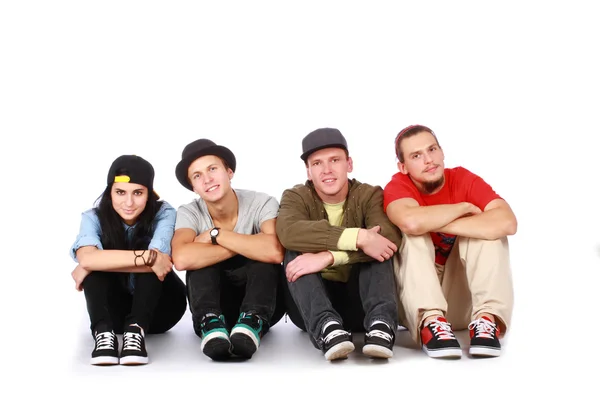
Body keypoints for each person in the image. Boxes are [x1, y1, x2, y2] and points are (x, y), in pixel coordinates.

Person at [383, 124, 517, 359]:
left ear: (442, 151)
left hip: (460, 301)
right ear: (403, 167)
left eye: (432, 149)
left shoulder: (462, 179)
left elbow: (508, 222)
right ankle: (431, 323)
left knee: (488, 232)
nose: (429, 160)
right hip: (414, 301)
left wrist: (435, 221)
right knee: (412, 234)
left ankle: (487, 320)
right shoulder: (398, 186)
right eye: (417, 156)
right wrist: (464, 208)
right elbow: (411, 222)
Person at [276, 128, 402, 361]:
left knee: (380, 250)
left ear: (349, 164)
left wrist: (330, 257)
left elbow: (390, 240)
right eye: (317, 163)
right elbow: (288, 232)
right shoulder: (296, 196)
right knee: (294, 250)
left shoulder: (369, 194)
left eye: (335, 160)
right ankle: (327, 328)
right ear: (309, 170)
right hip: (310, 305)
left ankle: (381, 326)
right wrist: (360, 238)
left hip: (361, 302)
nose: (327, 170)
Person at [171, 139, 285, 361]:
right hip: (216, 302)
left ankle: (252, 322)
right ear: (193, 187)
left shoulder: (262, 202)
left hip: (264, 302)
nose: (207, 179)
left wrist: (216, 235)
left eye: (213, 169)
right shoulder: (189, 212)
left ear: (229, 172)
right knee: (201, 264)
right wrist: (250, 244)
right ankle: (210, 323)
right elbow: (182, 259)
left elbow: (274, 251)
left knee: (264, 262)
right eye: (197, 176)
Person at [70, 155, 187, 366]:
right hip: (115, 314)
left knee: (99, 267)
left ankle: (137, 331)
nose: (129, 202)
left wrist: (94, 262)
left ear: (149, 194)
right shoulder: (93, 218)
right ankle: (103, 334)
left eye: (138, 193)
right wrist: (145, 257)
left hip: (162, 308)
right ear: (110, 192)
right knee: (97, 271)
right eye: (120, 192)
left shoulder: (164, 213)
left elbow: (160, 262)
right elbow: (87, 257)